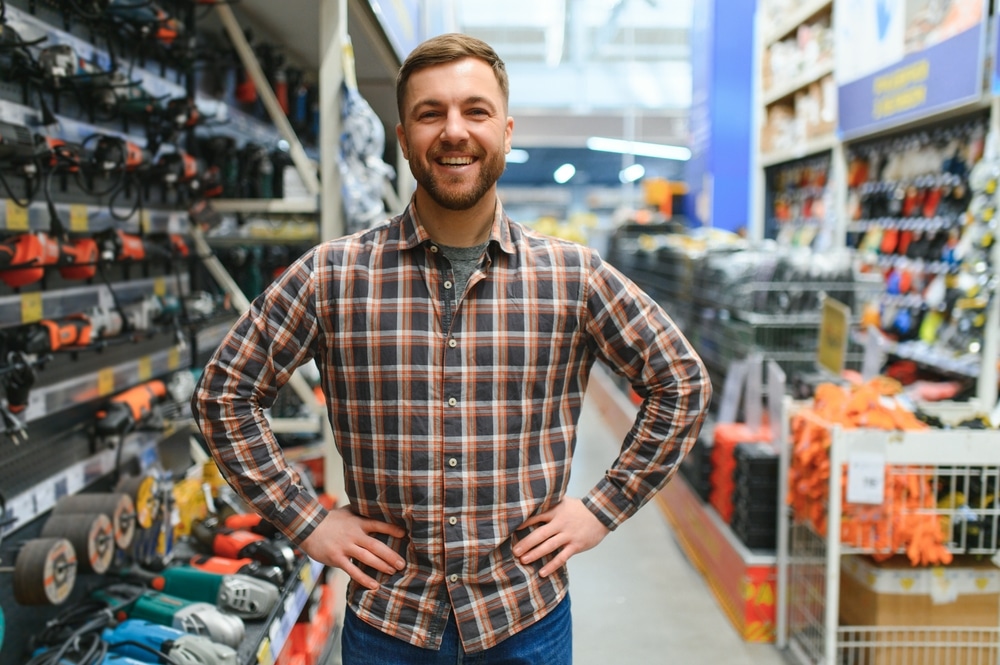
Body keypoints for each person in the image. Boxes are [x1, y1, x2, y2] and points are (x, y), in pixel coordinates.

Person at [191, 32, 711, 664]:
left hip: (525, 618)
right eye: (430, 113)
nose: (454, 131)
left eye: (476, 110)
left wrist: (603, 508)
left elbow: (681, 381)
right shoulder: (333, 276)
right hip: (390, 624)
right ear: (404, 137)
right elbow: (224, 394)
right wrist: (308, 521)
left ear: (507, 131)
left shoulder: (572, 277)